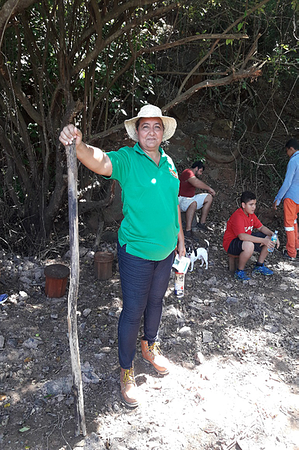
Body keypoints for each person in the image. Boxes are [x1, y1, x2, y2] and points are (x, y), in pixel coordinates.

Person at [59, 104, 185, 408]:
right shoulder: (129, 159)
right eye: (145, 127)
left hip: (166, 251)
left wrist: (180, 240)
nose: (151, 132)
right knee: (133, 310)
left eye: (157, 127)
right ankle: (126, 371)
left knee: (157, 301)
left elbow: (172, 207)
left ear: (162, 132)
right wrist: (78, 143)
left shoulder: (169, 164)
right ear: (137, 132)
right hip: (137, 252)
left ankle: (149, 347)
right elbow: (99, 161)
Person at [223, 191, 280, 281]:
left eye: (255, 204)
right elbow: (242, 236)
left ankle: (259, 266)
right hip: (231, 243)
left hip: (245, 239)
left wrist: (273, 235)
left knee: (269, 238)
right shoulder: (238, 216)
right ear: (243, 205)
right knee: (250, 245)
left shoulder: (251, 215)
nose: (254, 207)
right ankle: (239, 272)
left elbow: (261, 227)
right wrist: (262, 241)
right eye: (251, 204)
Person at [273, 138, 299, 261]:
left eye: (287, 151)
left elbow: (287, 182)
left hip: (291, 197)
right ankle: (296, 247)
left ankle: (291, 253)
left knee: (289, 225)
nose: (287, 154)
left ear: (291, 149)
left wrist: (278, 199)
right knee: (294, 222)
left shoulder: (294, 160)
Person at [178, 160, 215, 237]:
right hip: (181, 199)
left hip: (190, 198)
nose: (201, 174)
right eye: (200, 171)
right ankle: (188, 230)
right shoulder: (187, 172)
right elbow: (195, 182)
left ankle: (202, 223)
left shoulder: (192, 175)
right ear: (196, 168)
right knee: (193, 203)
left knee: (209, 197)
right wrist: (209, 188)